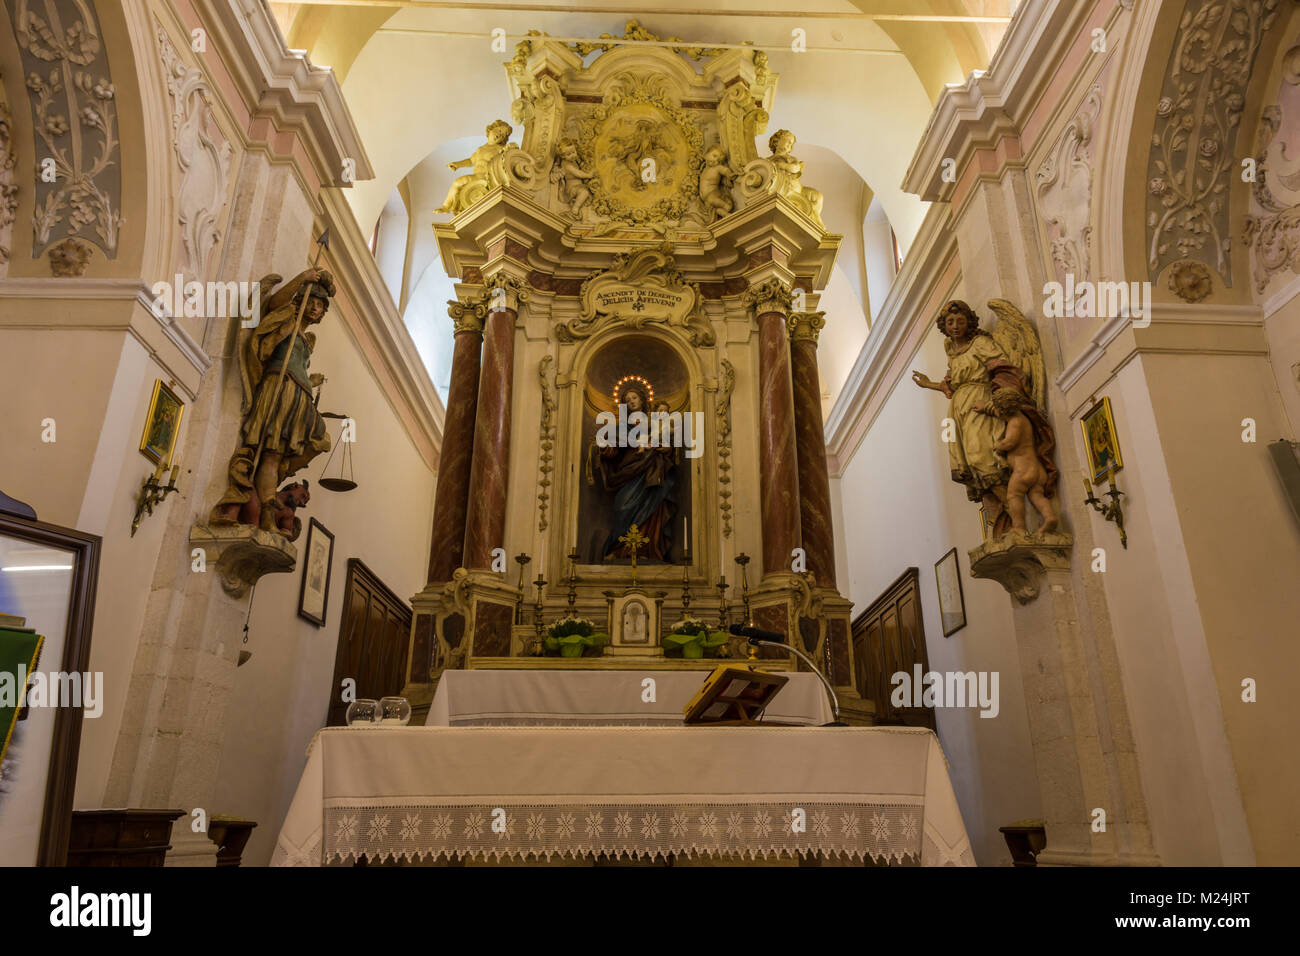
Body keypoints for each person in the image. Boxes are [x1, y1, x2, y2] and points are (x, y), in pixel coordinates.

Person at [912, 300, 1057, 536]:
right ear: (944, 327)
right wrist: (928, 384)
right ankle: (1009, 518)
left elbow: (1006, 369)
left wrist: (996, 403)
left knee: (984, 457)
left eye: (960, 321)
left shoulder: (980, 343)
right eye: (950, 322)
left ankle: (1017, 516)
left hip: (980, 405)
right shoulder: (952, 351)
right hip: (960, 411)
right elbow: (952, 384)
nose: (955, 326)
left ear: (969, 321)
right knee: (972, 464)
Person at [594, 385, 677, 561]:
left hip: (652, 468)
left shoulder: (655, 421)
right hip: (629, 470)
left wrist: (666, 448)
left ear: (642, 400)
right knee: (622, 505)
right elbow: (614, 450)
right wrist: (604, 449)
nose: (631, 402)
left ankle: (646, 550)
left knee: (651, 506)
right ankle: (619, 549)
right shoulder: (623, 426)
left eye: (634, 398)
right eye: (627, 400)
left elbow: (667, 442)